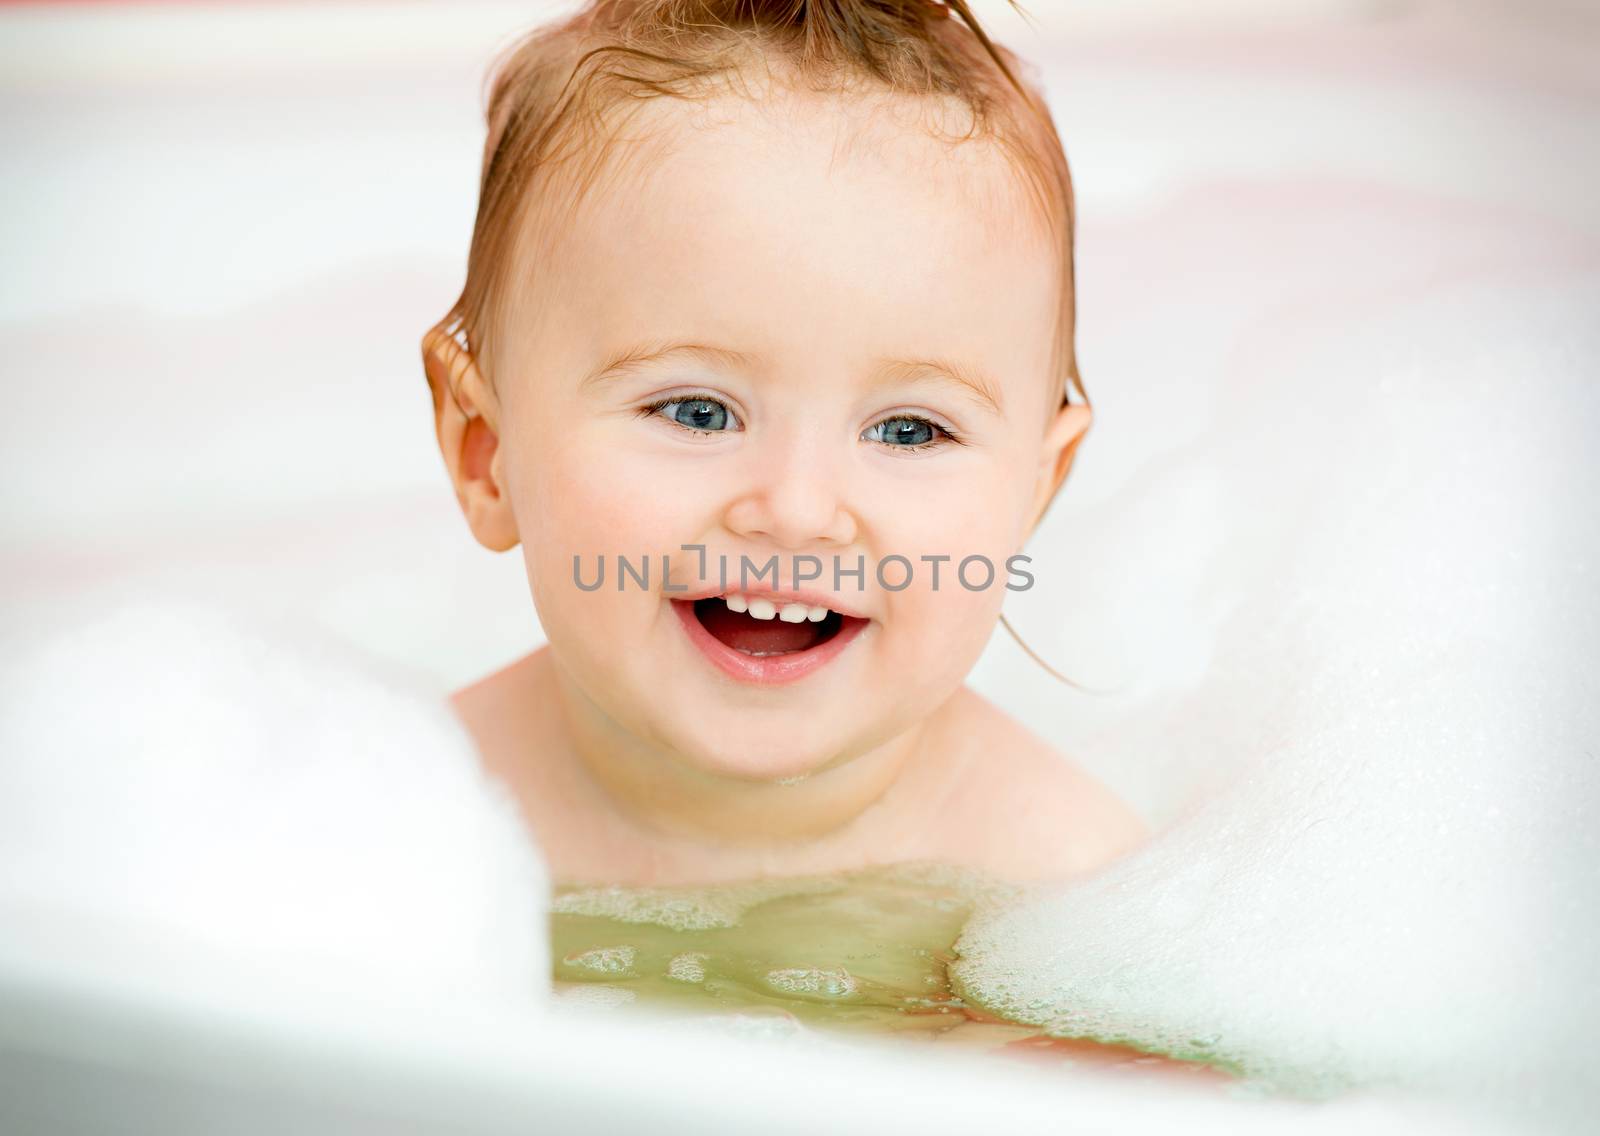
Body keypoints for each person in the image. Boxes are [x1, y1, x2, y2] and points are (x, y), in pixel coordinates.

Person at [422, 0, 1147, 891]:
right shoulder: (405, 817)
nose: (798, 509)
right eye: (696, 412)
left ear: (1034, 492)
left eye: (909, 430)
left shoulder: (1056, 879)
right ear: (485, 453)